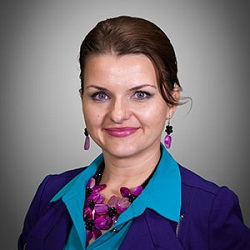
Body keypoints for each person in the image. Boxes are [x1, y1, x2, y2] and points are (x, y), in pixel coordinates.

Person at [18, 16, 250, 250]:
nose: (117, 114)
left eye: (140, 94)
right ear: (82, 101)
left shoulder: (211, 210)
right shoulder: (49, 192)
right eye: (100, 95)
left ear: (171, 102)